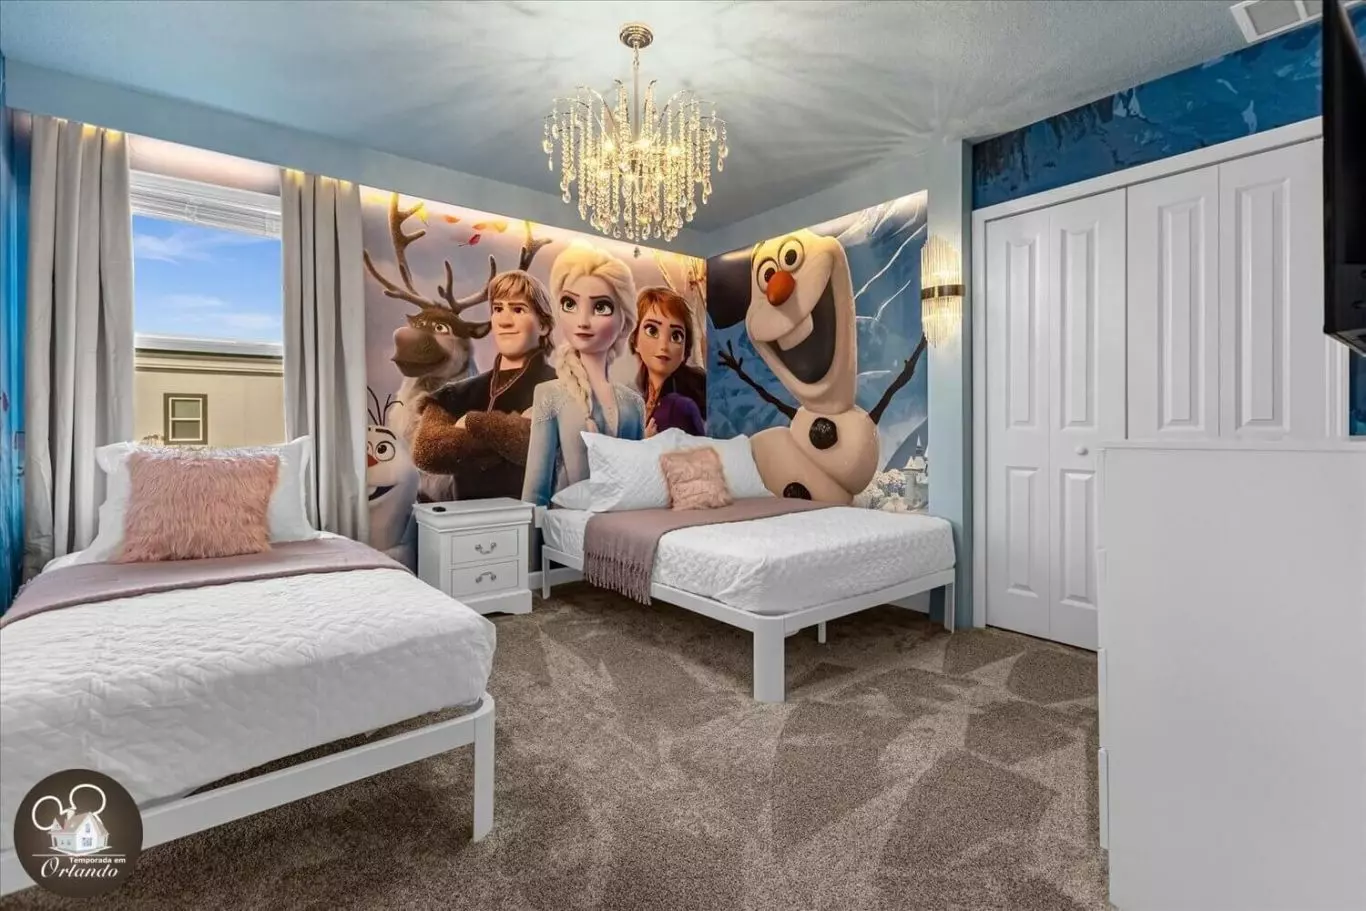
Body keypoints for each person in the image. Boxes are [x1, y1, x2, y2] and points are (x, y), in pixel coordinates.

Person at [410, 270, 557, 500]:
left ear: (544, 326)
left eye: (518, 309)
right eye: (498, 309)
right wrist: (509, 432)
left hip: (531, 518)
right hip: (464, 518)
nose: (504, 321)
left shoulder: (560, 388)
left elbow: (537, 447)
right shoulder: (455, 394)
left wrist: (471, 422)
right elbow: (427, 450)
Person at [522, 245, 645, 507]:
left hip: (626, 519)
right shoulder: (549, 395)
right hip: (570, 519)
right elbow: (535, 489)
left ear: (624, 320)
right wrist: (532, 534)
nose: (583, 321)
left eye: (601, 307)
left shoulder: (633, 403)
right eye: (570, 304)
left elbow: (639, 482)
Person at [631, 287, 707, 437]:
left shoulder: (681, 407)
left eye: (676, 336)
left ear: (685, 350)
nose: (664, 345)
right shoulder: (638, 402)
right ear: (635, 341)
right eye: (652, 331)